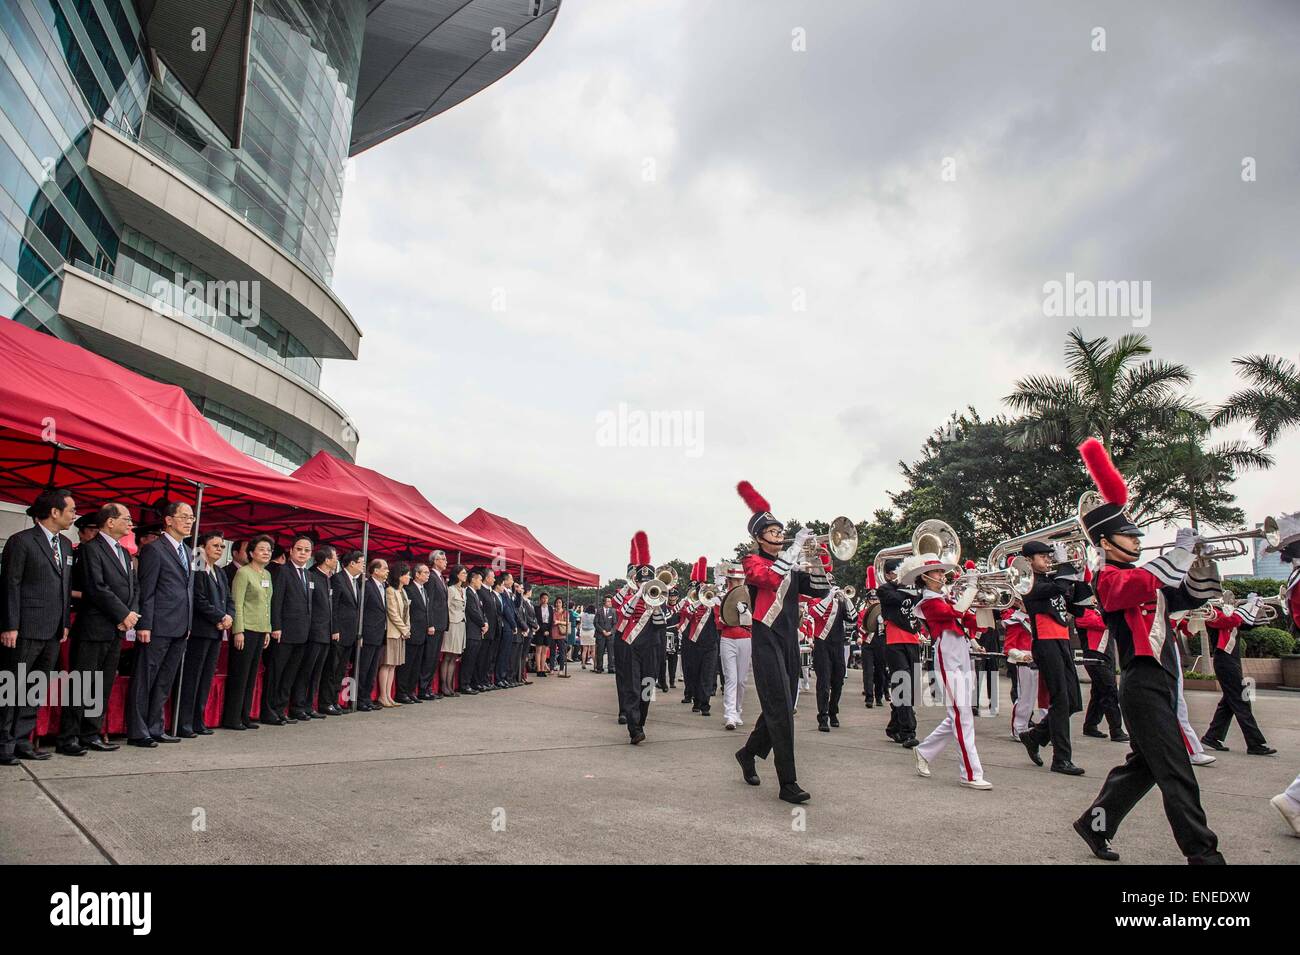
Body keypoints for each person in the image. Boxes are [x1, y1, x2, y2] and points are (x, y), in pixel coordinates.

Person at [1072, 438, 1224, 864]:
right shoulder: (1108, 578)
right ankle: (1205, 856)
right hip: (1142, 682)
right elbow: (1140, 584)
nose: (1137, 542)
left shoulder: (1145, 576)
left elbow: (1189, 597)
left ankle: (1094, 824)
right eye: (1128, 535)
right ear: (1105, 541)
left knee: (1143, 767)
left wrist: (1200, 562)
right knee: (1177, 774)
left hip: (1163, 678)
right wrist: (1176, 555)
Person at [733, 481, 829, 804]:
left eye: (780, 531)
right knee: (781, 712)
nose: (779, 536)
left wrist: (815, 556)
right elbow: (770, 579)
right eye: (773, 533)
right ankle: (788, 783)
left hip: (789, 641)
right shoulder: (752, 562)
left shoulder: (791, 565)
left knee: (783, 706)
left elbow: (820, 589)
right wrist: (792, 551)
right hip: (765, 640)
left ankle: (748, 753)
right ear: (759, 538)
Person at [1, 489, 77, 764]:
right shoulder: (21, 541)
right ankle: (4, 743)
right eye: (70, 510)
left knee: (34, 687)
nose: (73, 515)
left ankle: (22, 740)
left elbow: (65, 587)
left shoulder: (66, 546)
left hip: (53, 629)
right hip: (25, 628)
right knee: (12, 686)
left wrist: (64, 623)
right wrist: (10, 625)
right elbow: (11, 584)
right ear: (54, 512)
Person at [907, 557, 992, 790]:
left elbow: (973, 620)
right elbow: (956, 612)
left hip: (962, 650)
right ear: (924, 578)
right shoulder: (928, 602)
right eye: (935, 572)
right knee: (962, 715)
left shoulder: (946, 597)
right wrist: (972, 587)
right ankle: (971, 773)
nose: (941, 575)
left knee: (960, 713)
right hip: (947, 653)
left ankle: (924, 751)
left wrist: (985, 602)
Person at [59, 502, 136, 756]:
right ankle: (68, 736)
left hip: (117, 629)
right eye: (126, 518)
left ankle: (90, 733)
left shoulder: (124, 553)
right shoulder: (91, 549)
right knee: (82, 683)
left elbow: (134, 587)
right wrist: (122, 613)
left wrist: (131, 614)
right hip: (95, 626)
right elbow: (96, 587)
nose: (130, 522)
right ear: (110, 522)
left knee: (102, 685)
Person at [1016, 539, 1092, 776]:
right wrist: (1064, 565)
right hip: (1046, 642)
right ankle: (1061, 758)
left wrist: (1078, 572)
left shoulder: (1052, 580)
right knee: (1060, 699)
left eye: (1050, 556)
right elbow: (1058, 588)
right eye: (1043, 556)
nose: (1048, 559)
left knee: (1072, 701)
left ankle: (1035, 736)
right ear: (1029, 560)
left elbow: (1078, 607)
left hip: (1062, 641)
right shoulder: (1027, 582)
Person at [129, 500, 196, 747]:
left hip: (180, 626)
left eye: (192, 517)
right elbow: (147, 591)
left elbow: (187, 590)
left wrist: (188, 622)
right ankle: (138, 730)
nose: (189, 521)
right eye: (184, 516)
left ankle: (156, 726)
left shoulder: (188, 552)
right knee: (146, 678)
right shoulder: (154, 550)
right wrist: (144, 624)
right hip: (157, 625)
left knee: (165, 680)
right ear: (168, 520)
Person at [1200, 595, 1276, 756]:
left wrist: (1256, 608)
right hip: (1224, 661)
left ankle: (1212, 736)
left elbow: (1245, 624)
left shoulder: (1228, 611)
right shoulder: (1211, 612)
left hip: (1232, 660)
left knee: (1229, 702)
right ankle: (1255, 743)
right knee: (1242, 700)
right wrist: (1248, 606)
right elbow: (1231, 621)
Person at [177, 531, 233, 738]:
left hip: (217, 632)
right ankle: (184, 722)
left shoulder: (219, 571)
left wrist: (229, 616)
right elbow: (199, 599)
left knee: (206, 678)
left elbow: (229, 599)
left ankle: (198, 720)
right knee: (192, 677)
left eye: (221, 546)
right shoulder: (197, 568)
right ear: (202, 547)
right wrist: (220, 616)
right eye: (215, 545)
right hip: (201, 631)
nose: (219, 549)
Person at [612, 532, 663, 743]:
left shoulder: (658, 597)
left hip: (652, 646)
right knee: (632, 685)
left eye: (648, 582)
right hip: (631, 644)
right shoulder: (631, 595)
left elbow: (662, 623)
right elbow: (622, 610)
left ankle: (641, 721)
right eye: (643, 582)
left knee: (648, 686)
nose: (646, 586)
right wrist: (637, 592)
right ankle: (634, 728)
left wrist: (656, 601)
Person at [223, 536, 273, 731]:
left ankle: (245, 715)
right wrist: (238, 630)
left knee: (252, 675)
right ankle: (232, 717)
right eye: (261, 549)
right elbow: (237, 603)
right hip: (246, 629)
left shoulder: (266, 575)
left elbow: (267, 604)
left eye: (268, 549)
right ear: (251, 553)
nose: (266, 552)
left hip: (261, 629)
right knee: (240, 674)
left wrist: (268, 629)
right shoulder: (243, 573)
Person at [263, 534, 314, 725]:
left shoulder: (308, 575)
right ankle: (269, 711)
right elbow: (276, 602)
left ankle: (280, 709)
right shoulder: (282, 571)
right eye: (299, 549)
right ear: (291, 551)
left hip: (302, 633)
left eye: (306, 550)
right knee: (276, 673)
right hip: (283, 632)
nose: (302, 553)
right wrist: (275, 626)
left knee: (290, 674)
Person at [877, 557, 923, 747]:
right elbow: (897, 598)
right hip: (894, 642)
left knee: (910, 689)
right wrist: (909, 585)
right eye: (898, 571)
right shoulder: (885, 589)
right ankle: (908, 732)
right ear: (888, 574)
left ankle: (894, 726)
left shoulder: (914, 589)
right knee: (902, 684)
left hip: (913, 641)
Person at [291, 545, 337, 720]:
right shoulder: (312, 575)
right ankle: (298, 705)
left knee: (317, 672)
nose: (336, 560)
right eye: (335, 557)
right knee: (306, 670)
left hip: (326, 632)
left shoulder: (327, 578)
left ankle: (310, 704)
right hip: (313, 632)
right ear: (326, 559)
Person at [805, 553, 848, 733]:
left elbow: (851, 619)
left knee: (838, 681)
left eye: (831, 580)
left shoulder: (839, 601)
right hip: (822, 644)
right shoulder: (815, 598)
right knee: (823, 682)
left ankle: (833, 711)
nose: (830, 583)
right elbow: (814, 614)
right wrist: (829, 596)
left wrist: (847, 599)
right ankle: (822, 716)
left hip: (838, 644)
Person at [1076, 601, 1127, 742]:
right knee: (1110, 692)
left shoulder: (1096, 611)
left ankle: (1090, 725)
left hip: (1106, 657)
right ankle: (1116, 730)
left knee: (1099, 693)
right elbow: (1103, 623)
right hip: (1095, 658)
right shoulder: (1082, 613)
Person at [321, 550, 363, 714]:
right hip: (339, 632)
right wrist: (335, 629)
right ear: (352, 563)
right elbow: (334, 607)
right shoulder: (338, 579)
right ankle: (326, 702)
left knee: (341, 670)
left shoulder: (356, 582)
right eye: (361, 562)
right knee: (332, 668)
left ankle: (335, 700)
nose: (363, 565)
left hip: (351, 633)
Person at [715, 562, 752, 731]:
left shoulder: (750, 597)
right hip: (727, 639)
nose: (736, 583)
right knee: (730, 678)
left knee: (742, 680)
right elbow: (718, 624)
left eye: (739, 580)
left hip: (745, 638)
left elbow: (753, 623)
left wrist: (745, 614)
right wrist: (724, 619)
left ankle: (738, 710)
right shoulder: (721, 598)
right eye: (733, 580)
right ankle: (729, 714)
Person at [1002, 600, 1042, 740]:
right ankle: (1019, 729)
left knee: (1044, 699)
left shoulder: (1037, 618)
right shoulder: (1015, 621)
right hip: (1023, 663)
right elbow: (1008, 648)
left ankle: (1046, 731)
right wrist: (1022, 656)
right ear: (1019, 603)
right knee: (1025, 698)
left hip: (1039, 661)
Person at [398, 562, 434, 704]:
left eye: (428, 572)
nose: (427, 575)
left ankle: (411, 691)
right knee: (407, 664)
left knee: (417, 664)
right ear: (417, 574)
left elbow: (426, 610)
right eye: (424, 572)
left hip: (423, 632)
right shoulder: (409, 589)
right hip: (412, 632)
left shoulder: (424, 590)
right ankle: (402, 692)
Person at [356, 559, 389, 711]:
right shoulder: (367, 585)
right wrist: (360, 633)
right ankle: (360, 699)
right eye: (385, 568)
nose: (388, 571)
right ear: (375, 570)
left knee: (373, 668)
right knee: (364, 668)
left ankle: (367, 697)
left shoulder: (384, 586)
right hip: (368, 633)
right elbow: (361, 610)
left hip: (380, 633)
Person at [379, 562, 411, 707]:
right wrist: (404, 629)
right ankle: (382, 696)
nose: (409, 577)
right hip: (393, 632)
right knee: (387, 664)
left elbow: (406, 613)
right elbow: (392, 613)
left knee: (394, 665)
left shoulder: (403, 591)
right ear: (399, 576)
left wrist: (407, 628)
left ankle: (389, 696)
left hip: (401, 632)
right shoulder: (390, 590)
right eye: (407, 574)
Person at [421, 551, 449, 699]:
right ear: (435, 561)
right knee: (430, 657)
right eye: (442, 559)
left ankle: (429, 688)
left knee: (434, 658)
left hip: (441, 623)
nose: (445, 562)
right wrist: (430, 623)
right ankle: (424, 688)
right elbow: (429, 602)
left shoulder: (441, 578)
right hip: (434, 624)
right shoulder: (431, 577)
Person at [441, 564, 468, 696]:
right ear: (457, 574)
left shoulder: (463, 590)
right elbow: (445, 608)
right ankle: (444, 686)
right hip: (452, 624)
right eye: (463, 573)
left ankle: (450, 686)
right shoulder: (450, 589)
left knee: (454, 657)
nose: (465, 575)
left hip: (461, 624)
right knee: (448, 656)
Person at [462, 567, 486, 693]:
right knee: (469, 659)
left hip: (477, 631)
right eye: (480, 580)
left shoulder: (476, 594)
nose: (481, 583)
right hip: (471, 630)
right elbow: (472, 611)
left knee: (474, 659)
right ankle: (464, 684)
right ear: (473, 580)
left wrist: (485, 623)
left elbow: (481, 611)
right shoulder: (468, 593)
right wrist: (482, 623)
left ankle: (470, 682)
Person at [494, 573, 518, 687]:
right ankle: (499, 678)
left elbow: (515, 608)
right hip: (506, 627)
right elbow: (507, 611)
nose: (513, 581)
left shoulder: (509, 593)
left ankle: (503, 677)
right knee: (502, 654)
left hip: (510, 627)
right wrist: (514, 625)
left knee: (507, 654)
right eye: (511, 579)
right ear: (505, 580)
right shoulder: (502, 593)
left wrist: (518, 593)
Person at [515, 581, 537, 684]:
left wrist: (536, 625)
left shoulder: (530, 602)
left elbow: (533, 616)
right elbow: (526, 617)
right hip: (525, 630)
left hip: (531, 631)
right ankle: (520, 676)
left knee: (525, 655)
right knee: (522, 655)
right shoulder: (521, 601)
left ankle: (523, 675)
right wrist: (534, 625)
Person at [594, 596, 616, 674]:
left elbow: (615, 624)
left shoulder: (613, 611)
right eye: (608, 601)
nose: (610, 603)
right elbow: (595, 623)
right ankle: (599, 667)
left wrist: (611, 632)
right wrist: (602, 631)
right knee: (600, 652)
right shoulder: (599, 611)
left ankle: (611, 668)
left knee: (611, 652)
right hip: (600, 635)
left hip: (610, 635)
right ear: (604, 602)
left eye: (610, 601)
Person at [533, 591, 553, 676]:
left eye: (546, 598)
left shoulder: (550, 608)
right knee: (538, 650)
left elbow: (551, 620)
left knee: (545, 651)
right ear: (540, 599)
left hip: (548, 630)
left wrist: (548, 630)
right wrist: (542, 630)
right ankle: (538, 669)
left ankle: (543, 669)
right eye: (543, 598)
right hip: (539, 630)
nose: (544, 600)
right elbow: (536, 620)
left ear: (548, 599)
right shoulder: (536, 608)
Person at [551, 596, 570, 676]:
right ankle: (552, 668)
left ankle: (561, 669)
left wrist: (558, 622)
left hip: (561, 635)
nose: (558, 604)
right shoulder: (552, 612)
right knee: (552, 652)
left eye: (560, 602)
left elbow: (567, 622)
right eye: (557, 602)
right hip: (552, 634)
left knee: (562, 652)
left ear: (562, 604)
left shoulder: (565, 612)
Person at [580, 604, 596, 670]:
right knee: (593, 650)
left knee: (584, 650)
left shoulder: (583, 615)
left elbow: (580, 617)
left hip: (584, 632)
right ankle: (595, 665)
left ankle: (583, 663)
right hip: (591, 632)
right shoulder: (594, 616)